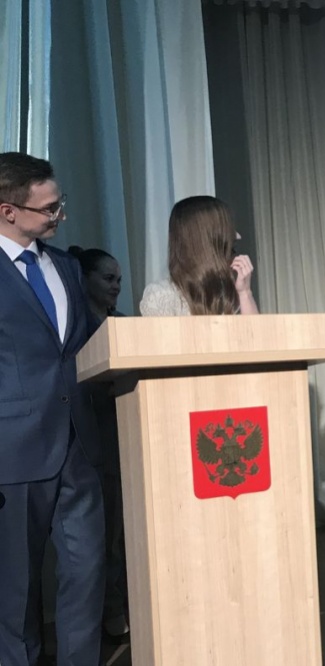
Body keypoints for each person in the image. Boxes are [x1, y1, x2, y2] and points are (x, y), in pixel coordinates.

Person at [0, 152, 106, 666]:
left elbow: (86, 346)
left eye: (60, 205)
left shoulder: (65, 265)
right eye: (48, 209)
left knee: (86, 574)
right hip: (14, 455)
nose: (59, 216)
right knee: (16, 590)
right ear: (8, 211)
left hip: (79, 448)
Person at [69, 245, 130, 643]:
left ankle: (131, 605)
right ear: (86, 278)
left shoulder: (124, 324)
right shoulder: (75, 326)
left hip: (129, 440)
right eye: (108, 278)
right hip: (95, 443)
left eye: (119, 280)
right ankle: (110, 613)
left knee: (128, 535)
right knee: (103, 538)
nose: (116, 286)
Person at [140, 195, 258, 316]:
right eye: (226, 230)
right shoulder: (162, 295)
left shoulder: (227, 294)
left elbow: (255, 329)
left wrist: (245, 293)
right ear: (208, 240)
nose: (238, 236)